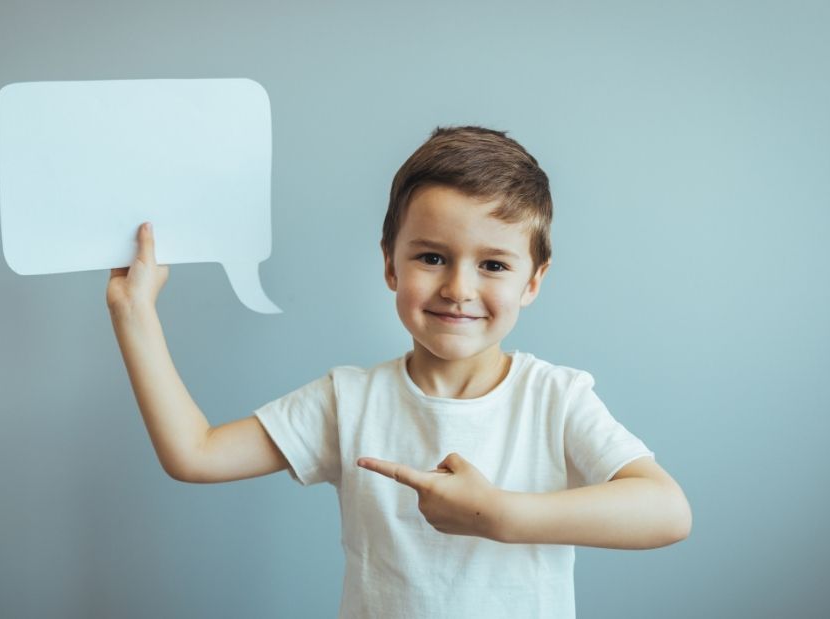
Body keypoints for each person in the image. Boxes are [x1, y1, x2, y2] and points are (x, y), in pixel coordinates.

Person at [106, 125, 692, 618]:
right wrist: (134, 313)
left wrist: (499, 514)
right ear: (390, 263)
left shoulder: (554, 398)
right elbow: (195, 454)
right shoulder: (351, 400)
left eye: (493, 264)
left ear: (532, 281)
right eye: (431, 257)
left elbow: (667, 512)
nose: (459, 288)